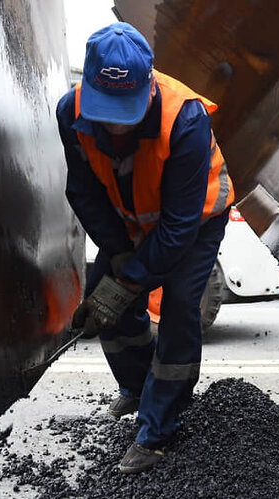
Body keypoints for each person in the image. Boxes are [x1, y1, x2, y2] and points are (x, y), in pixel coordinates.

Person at [55, 22, 234, 473]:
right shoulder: (70, 113)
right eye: (106, 110)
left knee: (179, 307)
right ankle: (138, 388)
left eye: (126, 110)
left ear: (148, 86)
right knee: (103, 303)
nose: (116, 123)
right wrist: (117, 256)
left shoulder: (185, 120)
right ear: (88, 88)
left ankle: (158, 430)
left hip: (194, 223)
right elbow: (84, 192)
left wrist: (129, 282)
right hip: (128, 222)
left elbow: (177, 228)